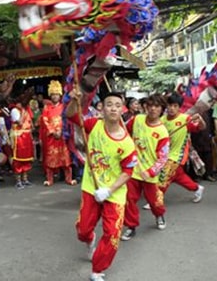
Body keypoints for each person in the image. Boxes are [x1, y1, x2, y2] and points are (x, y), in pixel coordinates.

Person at [66, 90, 137, 281]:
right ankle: (89, 241)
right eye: (109, 104)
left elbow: (128, 172)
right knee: (82, 230)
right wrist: (74, 99)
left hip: (113, 193)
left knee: (113, 234)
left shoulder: (127, 143)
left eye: (117, 105)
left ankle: (98, 269)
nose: (113, 108)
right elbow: (71, 115)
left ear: (122, 109)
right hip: (91, 187)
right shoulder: (93, 125)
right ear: (102, 109)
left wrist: (109, 190)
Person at [121, 94, 169, 241]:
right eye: (150, 105)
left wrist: (150, 171)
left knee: (154, 201)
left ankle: (159, 215)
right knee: (129, 199)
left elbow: (163, 157)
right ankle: (131, 226)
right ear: (145, 106)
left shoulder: (162, 132)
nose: (153, 109)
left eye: (157, 106)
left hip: (149, 173)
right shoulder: (137, 119)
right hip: (132, 169)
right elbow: (124, 131)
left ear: (162, 109)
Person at [159, 93, 206, 203]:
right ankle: (197, 188)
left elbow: (201, 127)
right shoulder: (162, 120)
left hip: (178, 154)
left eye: (175, 106)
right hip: (164, 153)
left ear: (179, 107)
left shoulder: (186, 119)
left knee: (165, 175)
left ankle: (156, 199)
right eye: (170, 105)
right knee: (178, 176)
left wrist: (200, 119)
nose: (172, 108)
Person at [40, 80, 76, 186]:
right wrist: (52, 131)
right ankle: (50, 179)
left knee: (65, 159)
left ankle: (69, 179)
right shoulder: (47, 108)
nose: (55, 97)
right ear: (50, 96)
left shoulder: (64, 107)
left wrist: (62, 130)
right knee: (50, 159)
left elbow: (67, 119)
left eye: (57, 94)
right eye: (53, 94)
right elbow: (45, 120)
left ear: (60, 95)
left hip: (62, 135)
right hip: (52, 137)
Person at [10, 101, 34, 190]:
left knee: (27, 159)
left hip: (26, 137)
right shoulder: (15, 111)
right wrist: (23, 113)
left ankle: (25, 179)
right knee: (18, 160)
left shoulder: (26, 110)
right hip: (19, 137)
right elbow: (20, 123)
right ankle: (18, 181)